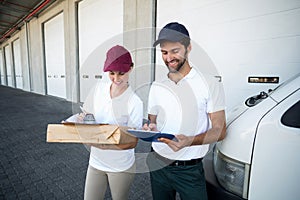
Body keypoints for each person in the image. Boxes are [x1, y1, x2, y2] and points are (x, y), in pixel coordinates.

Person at [144, 22, 227, 200]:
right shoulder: (157, 85)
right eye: (164, 53)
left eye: (175, 51)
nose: (169, 58)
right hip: (158, 164)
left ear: (188, 47)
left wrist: (190, 141)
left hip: (189, 171)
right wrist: (149, 127)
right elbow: (152, 120)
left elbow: (220, 130)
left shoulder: (209, 83)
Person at [82, 45, 143, 200]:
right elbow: (89, 115)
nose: (116, 79)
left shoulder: (135, 102)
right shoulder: (99, 91)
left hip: (120, 167)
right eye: (111, 73)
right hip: (95, 162)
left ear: (131, 68)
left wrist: (102, 145)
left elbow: (132, 142)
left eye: (121, 73)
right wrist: (83, 120)